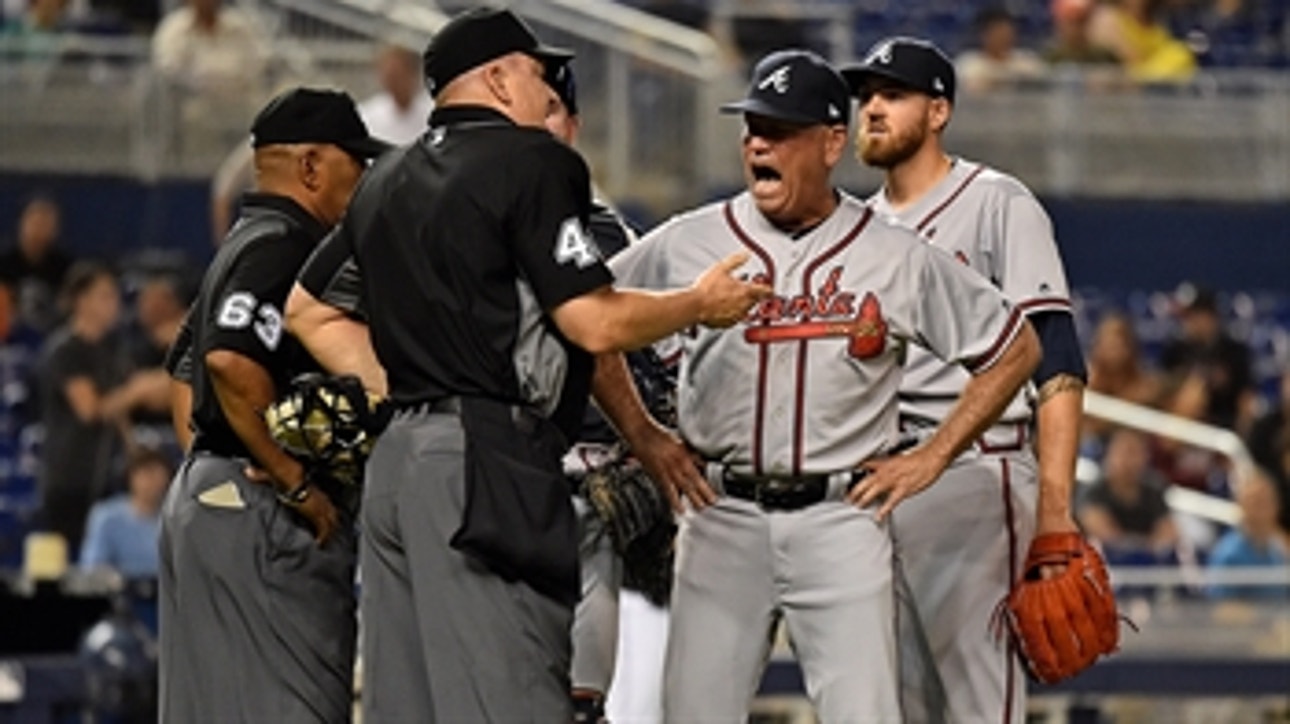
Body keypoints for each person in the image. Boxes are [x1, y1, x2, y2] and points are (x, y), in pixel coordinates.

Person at [282, 8, 770, 722]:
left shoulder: (385, 179)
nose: (549, 94)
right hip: (487, 461)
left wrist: (419, 387)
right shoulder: (532, 160)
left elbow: (309, 309)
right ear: (500, 79)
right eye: (540, 75)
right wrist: (699, 303)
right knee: (514, 696)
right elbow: (591, 319)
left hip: (397, 469)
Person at [605, 48, 1040, 722]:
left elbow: (1015, 347)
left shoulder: (893, 253)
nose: (758, 143)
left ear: (832, 142)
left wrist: (933, 456)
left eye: (779, 130)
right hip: (721, 514)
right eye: (752, 128)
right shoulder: (688, 241)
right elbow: (591, 321)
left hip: (842, 519)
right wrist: (645, 435)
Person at [843, 36, 1088, 722]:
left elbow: (1058, 358)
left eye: (892, 95)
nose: (873, 109)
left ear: (939, 110)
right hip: (878, 482)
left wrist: (1056, 513)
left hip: (977, 475)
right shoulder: (856, 227)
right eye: (866, 97)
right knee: (897, 705)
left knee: (980, 704)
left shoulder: (995, 203)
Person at [156, 86, 387, 723]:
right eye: (356, 160)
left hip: (210, 498)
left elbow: (183, 372)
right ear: (311, 166)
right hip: (263, 510)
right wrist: (286, 479)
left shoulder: (242, 242)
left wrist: (214, 471)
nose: (365, 176)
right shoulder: (288, 245)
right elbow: (228, 361)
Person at [36, 262, 130, 554]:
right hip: (69, 481)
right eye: (105, 296)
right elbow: (89, 409)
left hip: (106, 478)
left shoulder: (114, 350)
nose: (114, 304)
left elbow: (119, 410)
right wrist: (138, 391)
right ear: (82, 301)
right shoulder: (66, 350)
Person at [1160, 283, 1255, 433]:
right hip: (1182, 431)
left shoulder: (1234, 352)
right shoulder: (1175, 351)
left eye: (1191, 316)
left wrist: (1242, 437)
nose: (1186, 323)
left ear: (1208, 316)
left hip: (1223, 431)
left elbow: (1246, 400)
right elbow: (1163, 394)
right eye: (1185, 317)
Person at [1077, 426, 1179, 560]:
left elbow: (1169, 532)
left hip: (1147, 562)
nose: (1128, 461)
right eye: (1123, 452)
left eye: (1135, 453)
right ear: (1109, 455)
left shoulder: (1153, 490)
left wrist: (1151, 548)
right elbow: (1103, 533)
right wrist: (1137, 546)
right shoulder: (1093, 491)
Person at [79, 447, 170, 579]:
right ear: (132, 476)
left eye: (159, 474)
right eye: (148, 473)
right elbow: (92, 568)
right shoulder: (106, 517)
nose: (154, 481)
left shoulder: (175, 521)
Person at [1207, 467, 1289, 601]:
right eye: (1256, 502)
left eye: (1266, 501)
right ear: (1242, 505)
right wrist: (1267, 619)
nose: (1263, 508)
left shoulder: (1277, 549)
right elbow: (1220, 609)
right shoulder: (1229, 554)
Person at [0, 195, 73, 333]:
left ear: (55, 229)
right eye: (35, 223)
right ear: (22, 224)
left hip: (51, 334)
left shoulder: (65, 267)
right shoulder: (4, 264)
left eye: (46, 224)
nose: (39, 230)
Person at [955, 7, 1048, 94]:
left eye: (1006, 32)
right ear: (984, 34)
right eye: (997, 33)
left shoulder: (1028, 62)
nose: (1003, 38)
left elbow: (1044, 85)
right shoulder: (969, 65)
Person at [357, 42, 434, 145]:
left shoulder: (434, 112)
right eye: (389, 76)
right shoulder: (367, 115)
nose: (393, 83)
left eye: (398, 76)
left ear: (413, 75)